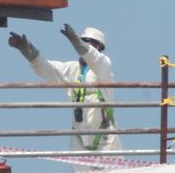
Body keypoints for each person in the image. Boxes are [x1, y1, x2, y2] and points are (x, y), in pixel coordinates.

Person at [8, 24, 122, 162]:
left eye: (87, 42)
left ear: (97, 47)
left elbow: (94, 58)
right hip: (80, 141)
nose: (81, 46)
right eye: (82, 41)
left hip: (105, 141)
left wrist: (76, 41)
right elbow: (48, 70)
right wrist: (27, 50)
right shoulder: (72, 69)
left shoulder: (103, 67)